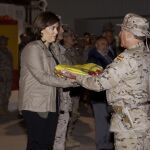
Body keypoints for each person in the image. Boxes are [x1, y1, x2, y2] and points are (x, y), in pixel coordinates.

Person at [63, 13, 150, 150]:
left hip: (128, 120)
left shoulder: (126, 58)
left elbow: (99, 83)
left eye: (122, 30)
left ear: (128, 33)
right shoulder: (146, 54)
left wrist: (76, 76)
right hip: (145, 116)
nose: (119, 33)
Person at [18, 11, 77, 150]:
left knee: (47, 143)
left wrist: (75, 75)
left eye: (57, 28)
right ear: (41, 28)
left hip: (50, 102)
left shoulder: (48, 49)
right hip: (36, 104)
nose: (56, 32)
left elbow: (55, 73)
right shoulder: (33, 48)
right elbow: (42, 76)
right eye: (53, 28)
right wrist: (69, 82)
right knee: (37, 144)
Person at [87, 36, 113, 150]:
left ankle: (107, 143)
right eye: (102, 44)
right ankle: (101, 145)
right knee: (101, 121)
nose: (105, 46)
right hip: (98, 95)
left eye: (106, 44)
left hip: (108, 95)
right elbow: (93, 78)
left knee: (107, 121)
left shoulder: (108, 56)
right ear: (96, 45)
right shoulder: (93, 59)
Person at [0, 36, 13, 115]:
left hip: (8, 76)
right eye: (2, 42)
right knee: (1, 92)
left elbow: (11, 63)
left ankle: (5, 108)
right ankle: (1, 108)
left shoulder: (8, 51)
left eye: (5, 42)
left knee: (8, 92)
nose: (4, 43)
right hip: (1, 76)